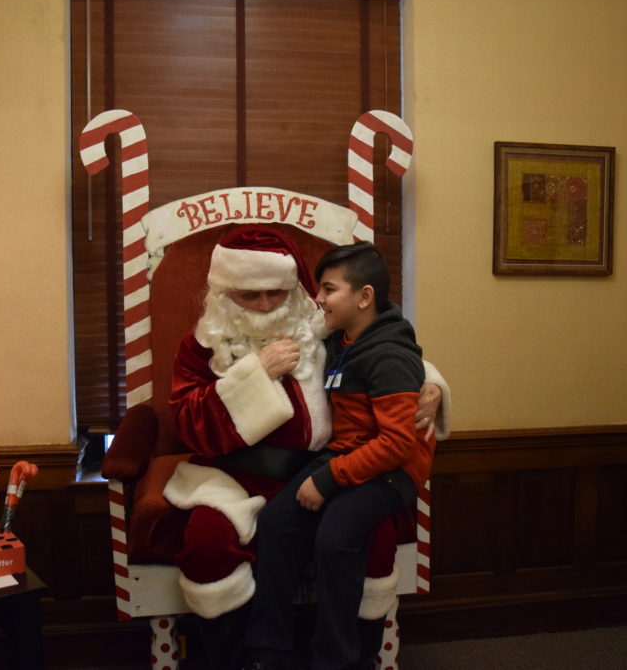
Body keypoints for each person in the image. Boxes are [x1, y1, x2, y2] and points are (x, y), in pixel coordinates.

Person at [163, 226, 448, 667]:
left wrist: (432, 386)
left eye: (276, 293)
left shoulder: (319, 324)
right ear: (224, 293)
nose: (265, 305)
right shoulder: (203, 344)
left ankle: (353, 657)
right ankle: (248, 659)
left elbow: (386, 356)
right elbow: (188, 423)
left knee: (371, 535)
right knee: (207, 543)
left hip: (322, 466)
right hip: (233, 477)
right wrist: (256, 373)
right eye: (250, 295)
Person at [241, 241, 437, 670]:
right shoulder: (341, 339)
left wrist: (327, 479)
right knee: (275, 522)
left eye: (329, 289)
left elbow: (398, 444)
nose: (319, 299)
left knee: (335, 537)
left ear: (364, 297)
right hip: (349, 451)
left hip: (393, 469)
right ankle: (268, 653)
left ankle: (338, 660)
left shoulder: (389, 354)